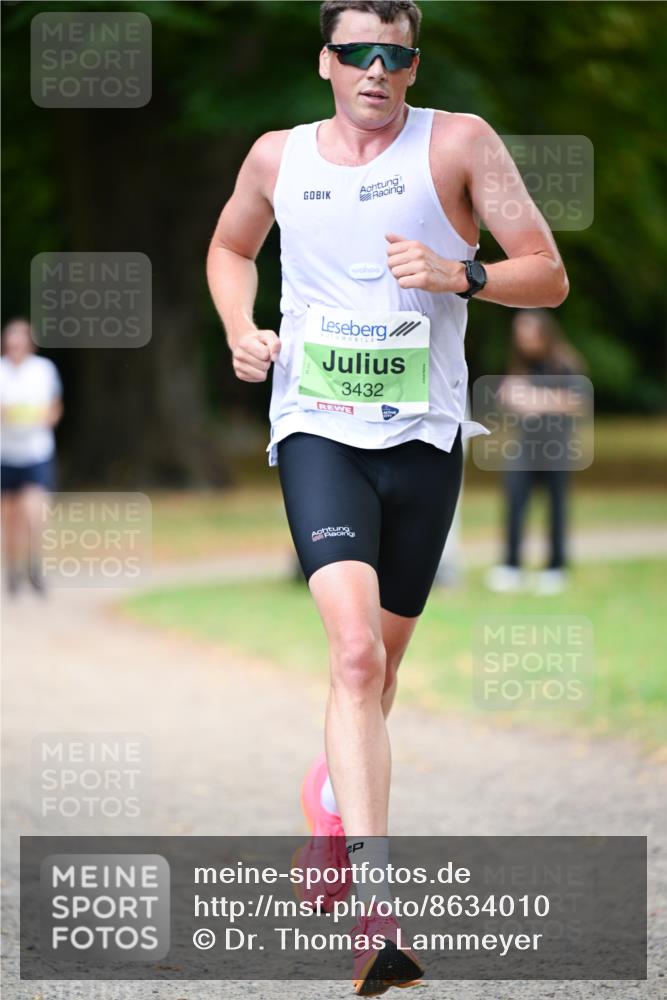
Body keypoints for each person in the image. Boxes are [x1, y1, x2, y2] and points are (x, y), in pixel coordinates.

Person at [207, 2, 568, 992]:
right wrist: (241, 326)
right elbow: (230, 248)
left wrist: (464, 274)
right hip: (319, 427)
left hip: (424, 438)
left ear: (411, 64)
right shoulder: (278, 157)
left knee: (381, 671)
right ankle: (376, 912)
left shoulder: (458, 141)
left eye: (394, 54)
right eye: (356, 52)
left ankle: (329, 806)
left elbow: (547, 274)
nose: (376, 69)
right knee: (354, 653)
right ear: (324, 60)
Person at [485, 309, 587, 596]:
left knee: (555, 507)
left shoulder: (565, 364)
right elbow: (506, 397)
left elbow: (577, 402)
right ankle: (511, 566)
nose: (524, 340)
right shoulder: (521, 366)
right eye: (520, 335)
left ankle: (555, 567)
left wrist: (536, 399)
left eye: (529, 334)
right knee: (515, 506)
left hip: (556, 448)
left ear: (545, 333)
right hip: (523, 449)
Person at [0, 317, 63, 595]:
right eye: (10, 339)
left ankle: (34, 565)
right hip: (6, 454)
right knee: (10, 517)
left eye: (20, 338)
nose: (15, 344)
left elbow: (54, 406)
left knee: (35, 513)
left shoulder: (44, 370)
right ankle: (12, 570)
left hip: (37, 452)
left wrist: (43, 418)